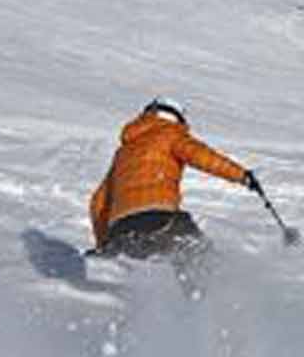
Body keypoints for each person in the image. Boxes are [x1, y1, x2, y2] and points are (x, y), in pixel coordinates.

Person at [88, 97, 261, 259]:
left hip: (121, 231)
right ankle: (205, 290)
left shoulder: (124, 152)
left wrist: (104, 244)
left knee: (167, 254)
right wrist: (242, 176)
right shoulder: (171, 134)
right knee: (198, 252)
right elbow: (203, 157)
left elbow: (98, 201)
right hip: (159, 218)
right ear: (177, 117)